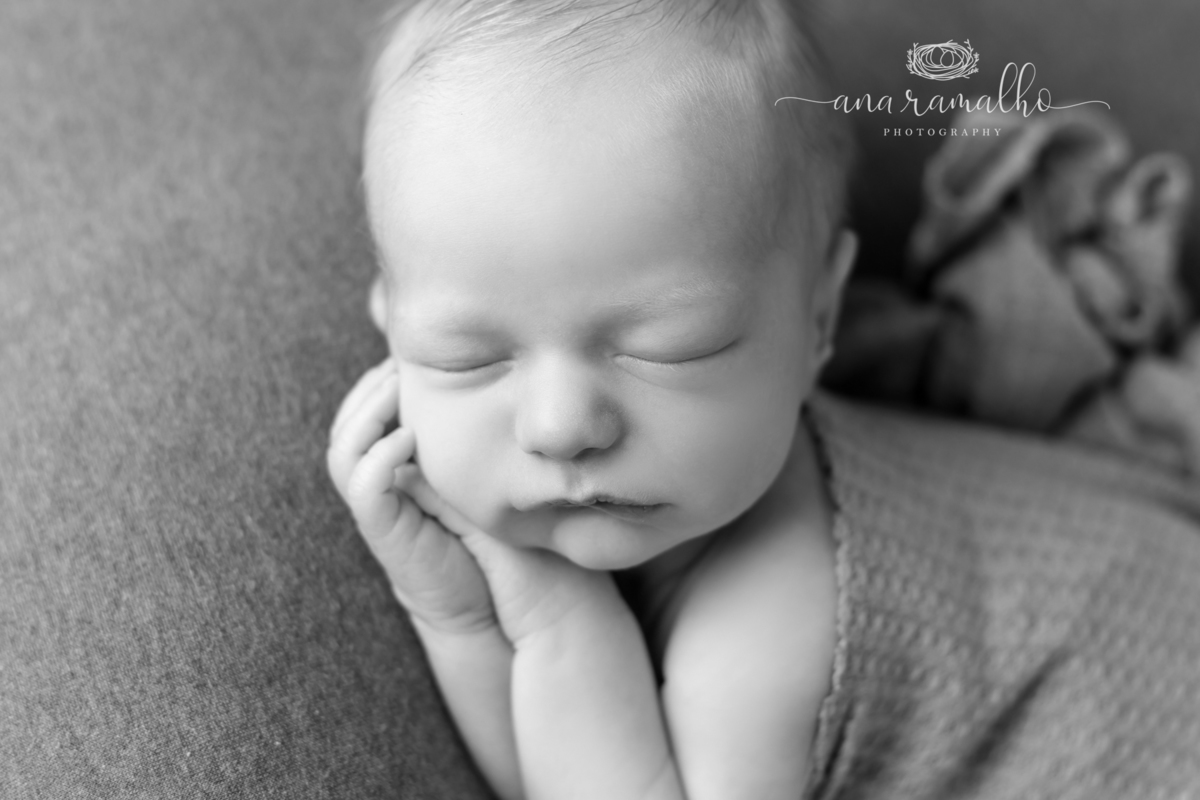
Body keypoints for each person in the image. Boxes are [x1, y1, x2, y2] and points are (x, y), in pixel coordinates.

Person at [327, 1, 1200, 798]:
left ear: (818, 319)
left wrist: (557, 620)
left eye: (670, 348)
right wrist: (455, 610)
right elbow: (551, 771)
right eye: (466, 356)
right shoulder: (698, 479)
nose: (559, 427)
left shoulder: (767, 624)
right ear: (393, 331)